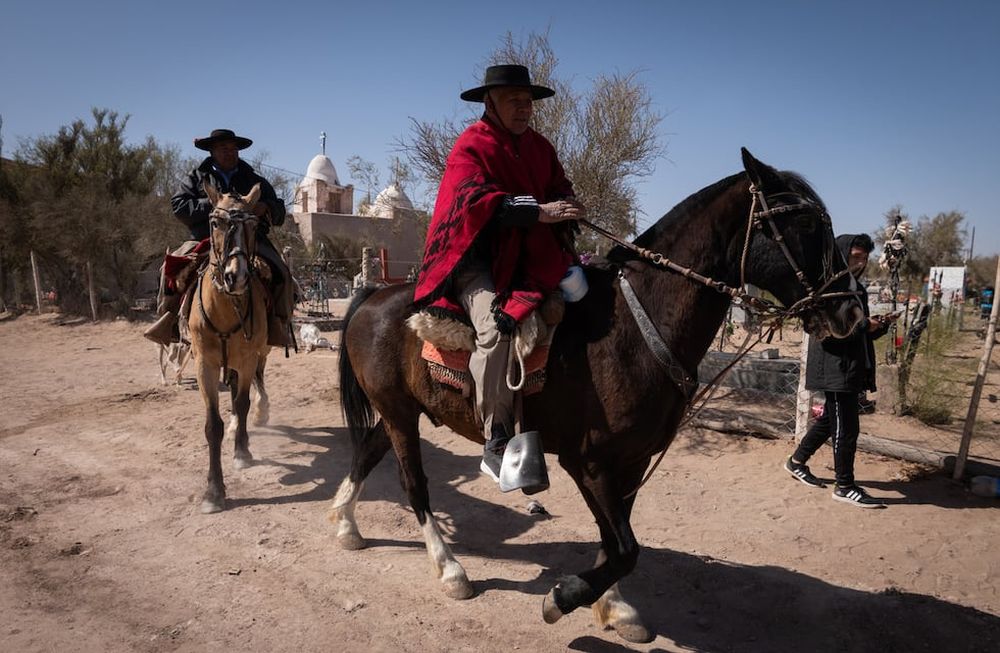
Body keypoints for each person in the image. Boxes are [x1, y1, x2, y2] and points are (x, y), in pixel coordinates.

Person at [412, 64, 585, 484]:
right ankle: (496, 439)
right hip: (477, 261)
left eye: (529, 101)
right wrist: (537, 211)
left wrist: (567, 204)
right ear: (490, 103)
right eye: (515, 101)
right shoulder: (471, 145)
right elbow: (473, 201)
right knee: (496, 329)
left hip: (528, 257)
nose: (524, 109)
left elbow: (558, 184)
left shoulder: (541, 147)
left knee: (586, 295)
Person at [143, 128, 294, 347]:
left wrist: (265, 207)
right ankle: (168, 322)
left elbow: (279, 211)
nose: (230, 153)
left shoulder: (252, 179)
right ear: (212, 151)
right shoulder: (196, 177)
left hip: (250, 240)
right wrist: (215, 204)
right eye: (224, 149)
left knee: (282, 272)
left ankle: (278, 325)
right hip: (205, 238)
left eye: (234, 149)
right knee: (171, 268)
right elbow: (178, 205)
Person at [784, 233, 899, 508]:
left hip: (849, 364)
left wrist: (878, 325)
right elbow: (826, 328)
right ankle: (844, 486)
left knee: (829, 421)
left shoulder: (854, 287)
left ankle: (796, 461)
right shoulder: (827, 289)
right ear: (842, 254)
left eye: (865, 257)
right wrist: (863, 325)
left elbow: (859, 333)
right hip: (834, 365)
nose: (861, 262)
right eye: (856, 256)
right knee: (846, 427)